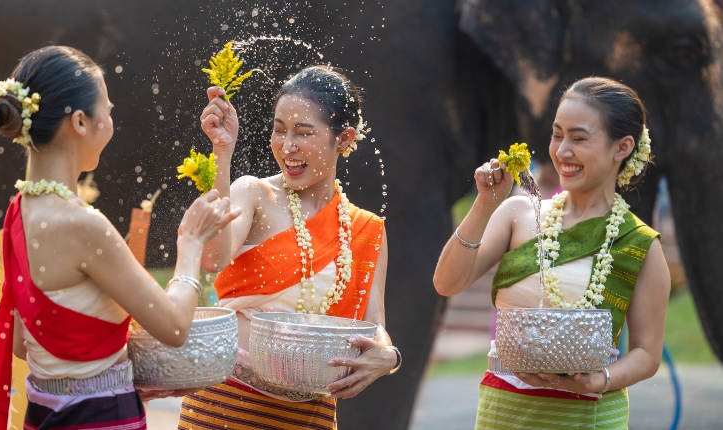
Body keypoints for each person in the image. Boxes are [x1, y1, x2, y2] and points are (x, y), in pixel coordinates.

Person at [0, 46, 239, 430]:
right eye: (109, 110)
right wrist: (191, 244)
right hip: (100, 419)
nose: (112, 120)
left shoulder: (20, 211)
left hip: (44, 415)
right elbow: (175, 328)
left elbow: (21, 342)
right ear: (80, 122)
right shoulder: (83, 225)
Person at [434, 77, 670, 429]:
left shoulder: (639, 244)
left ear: (622, 147)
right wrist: (484, 205)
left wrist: (598, 379)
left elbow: (647, 355)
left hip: (589, 414)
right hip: (504, 411)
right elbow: (447, 282)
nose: (561, 152)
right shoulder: (518, 214)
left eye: (579, 138)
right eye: (557, 134)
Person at [176, 65, 401, 429]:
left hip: (309, 413)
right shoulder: (254, 194)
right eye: (279, 130)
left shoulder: (365, 229)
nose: (287, 146)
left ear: (343, 139)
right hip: (224, 402)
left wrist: (389, 357)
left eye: (303, 133)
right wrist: (221, 152)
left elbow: (374, 325)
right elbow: (212, 257)